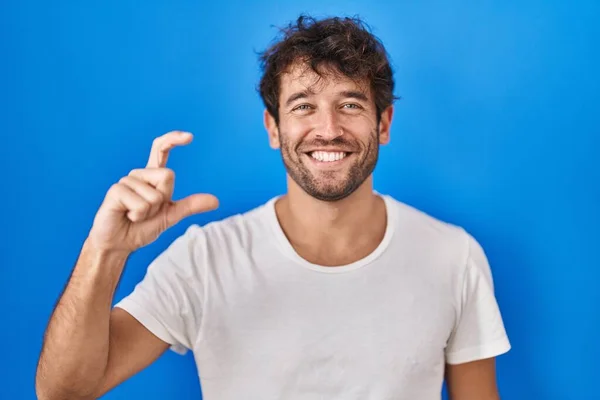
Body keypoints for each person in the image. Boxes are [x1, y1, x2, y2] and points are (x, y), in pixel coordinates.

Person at [36, 15, 511, 400]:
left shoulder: (453, 256)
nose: (327, 129)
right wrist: (105, 253)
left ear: (383, 123)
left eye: (350, 104)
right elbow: (64, 391)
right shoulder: (204, 260)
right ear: (273, 127)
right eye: (303, 106)